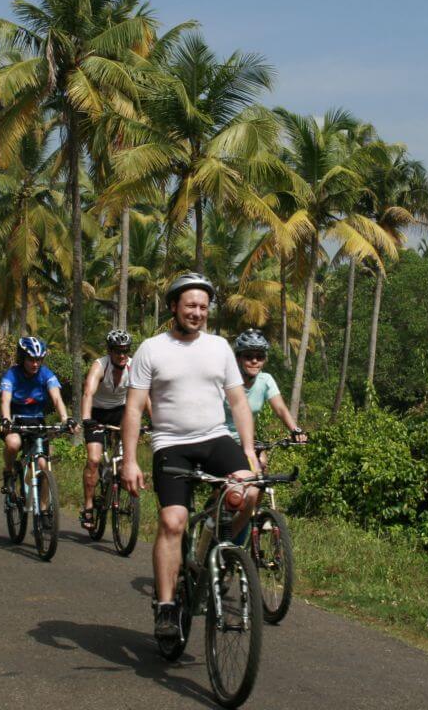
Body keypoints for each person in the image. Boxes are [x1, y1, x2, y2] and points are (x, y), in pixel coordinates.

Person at [120, 272, 261, 638]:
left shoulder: (219, 348)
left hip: (215, 438)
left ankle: (214, 551)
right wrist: (130, 460)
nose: (197, 312)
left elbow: (238, 402)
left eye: (203, 306)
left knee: (250, 490)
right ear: (173, 307)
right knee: (172, 522)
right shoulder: (151, 348)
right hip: (171, 445)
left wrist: (248, 452)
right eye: (190, 306)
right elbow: (134, 409)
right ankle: (166, 605)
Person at [0, 337, 74, 517]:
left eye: (38, 359)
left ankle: (45, 508)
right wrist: (6, 419)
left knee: (43, 464)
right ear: (22, 358)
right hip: (15, 419)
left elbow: (56, 398)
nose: (35, 364)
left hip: (37, 420)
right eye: (31, 359)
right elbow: (5, 399)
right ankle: (9, 472)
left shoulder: (46, 374)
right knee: (13, 444)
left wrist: (65, 419)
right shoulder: (11, 374)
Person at [225, 329, 307, 465]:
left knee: (261, 464)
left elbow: (280, 409)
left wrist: (295, 430)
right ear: (238, 358)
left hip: (247, 438)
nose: (254, 361)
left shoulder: (265, 380)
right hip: (223, 439)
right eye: (248, 356)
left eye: (260, 357)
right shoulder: (227, 380)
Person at [80, 329, 133, 530]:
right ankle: (88, 506)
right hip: (97, 413)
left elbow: (144, 397)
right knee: (94, 460)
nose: (121, 355)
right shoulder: (100, 366)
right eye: (117, 351)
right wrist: (86, 419)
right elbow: (88, 393)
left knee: (125, 459)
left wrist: (156, 421)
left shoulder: (133, 366)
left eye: (125, 350)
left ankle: (118, 486)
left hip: (120, 412)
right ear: (109, 351)